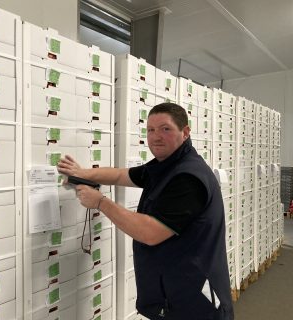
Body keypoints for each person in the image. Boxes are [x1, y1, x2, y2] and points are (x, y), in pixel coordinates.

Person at [58, 102, 234, 319]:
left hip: (194, 298)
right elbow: (121, 175)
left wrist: (101, 202)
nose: (156, 136)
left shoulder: (187, 177)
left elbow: (150, 233)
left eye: (165, 129)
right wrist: (82, 173)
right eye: (151, 130)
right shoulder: (166, 165)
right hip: (174, 288)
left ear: (185, 132)